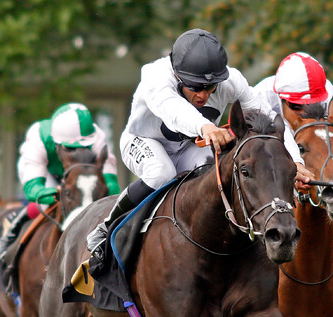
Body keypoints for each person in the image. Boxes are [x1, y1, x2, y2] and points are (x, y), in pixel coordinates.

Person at [86, 29, 312, 259]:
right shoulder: (155, 76)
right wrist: (205, 127)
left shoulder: (232, 81)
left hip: (188, 147)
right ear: (177, 75)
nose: (203, 95)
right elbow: (172, 109)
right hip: (144, 141)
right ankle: (107, 227)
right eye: (194, 87)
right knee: (161, 173)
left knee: (210, 174)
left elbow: (272, 122)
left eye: (210, 87)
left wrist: (296, 162)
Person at [0, 103, 120, 259]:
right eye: (71, 148)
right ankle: (12, 232)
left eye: (84, 147)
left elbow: (111, 181)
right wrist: (51, 194)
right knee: (47, 204)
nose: (77, 152)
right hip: (46, 173)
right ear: (57, 143)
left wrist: (108, 191)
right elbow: (33, 188)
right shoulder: (38, 137)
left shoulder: (97, 137)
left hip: (80, 175)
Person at [256, 51, 333, 177]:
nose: (305, 113)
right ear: (281, 98)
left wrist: (324, 161)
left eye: (313, 105)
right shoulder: (258, 99)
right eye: (296, 106)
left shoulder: (332, 101)